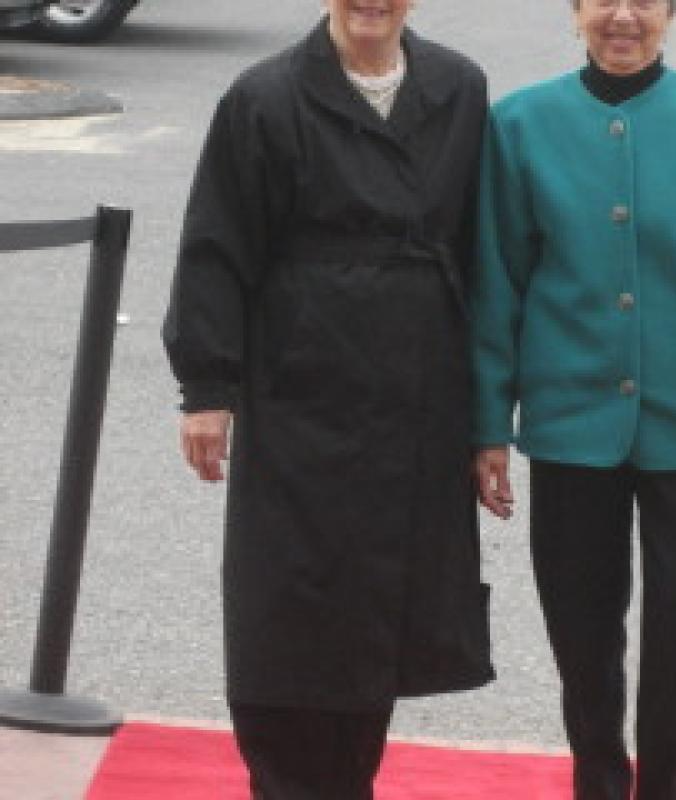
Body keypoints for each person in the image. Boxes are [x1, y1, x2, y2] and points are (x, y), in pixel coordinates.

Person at [162, 2, 493, 797]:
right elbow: (216, 243)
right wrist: (208, 387)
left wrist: (490, 414)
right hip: (297, 387)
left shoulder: (458, 88)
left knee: (380, 611)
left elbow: (487, 248)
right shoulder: (264, 97)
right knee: (284, 610)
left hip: (419, 393)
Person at [470, 1, 676, 797]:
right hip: (568, 426)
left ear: (672, 12)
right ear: (576, 11)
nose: (624, 16)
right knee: (580, 631)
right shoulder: (518, 125)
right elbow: (494, 287)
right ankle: (598, 779)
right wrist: (487, 425)